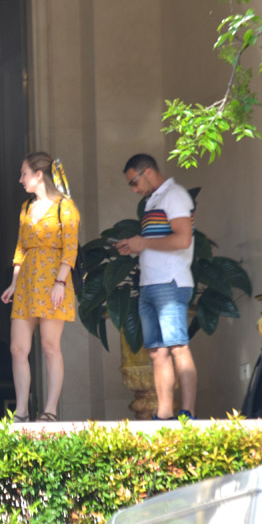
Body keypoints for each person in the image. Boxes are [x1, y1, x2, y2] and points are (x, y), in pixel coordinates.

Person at [114, 153, 196, 420]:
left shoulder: (175, 195)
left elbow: (183, 240)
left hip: (170, 282)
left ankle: (188, 414)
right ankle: (164, 415)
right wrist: (135, 246)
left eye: (134, 182)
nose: (134, 189)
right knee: (157, 352)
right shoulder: (153, 201)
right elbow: (158, 241)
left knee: (177, 346)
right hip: (150, 283)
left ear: (147, 171)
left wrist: (144, 243)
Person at [0, 151, 79, 422]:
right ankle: (21, 411)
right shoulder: (26, 207)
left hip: (54, 280)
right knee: (17, 348)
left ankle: (50, 410)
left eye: (24, 174)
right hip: (27, 282)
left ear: (38, 175)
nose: (20, 179)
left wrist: (60, 282)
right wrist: (14, 283)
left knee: (49, 346)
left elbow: (70, 249)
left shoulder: (64, 207)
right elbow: (20, 248)